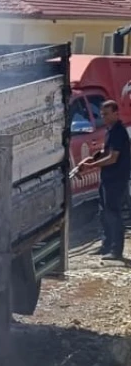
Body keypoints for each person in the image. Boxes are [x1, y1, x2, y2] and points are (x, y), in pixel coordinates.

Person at [76, 100, 131, 260]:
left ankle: (116, 250)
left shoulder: (119, 132)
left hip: (116, 179)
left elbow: (113, 158)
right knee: (104, 212)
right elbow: (104, 151)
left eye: (106, 114)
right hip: (107, 178)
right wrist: (88, 159)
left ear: (115, 113)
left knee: (113, 213)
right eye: (102, 114)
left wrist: (92, 165)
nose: (103, 117)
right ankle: (106, 245)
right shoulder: (110, 131)